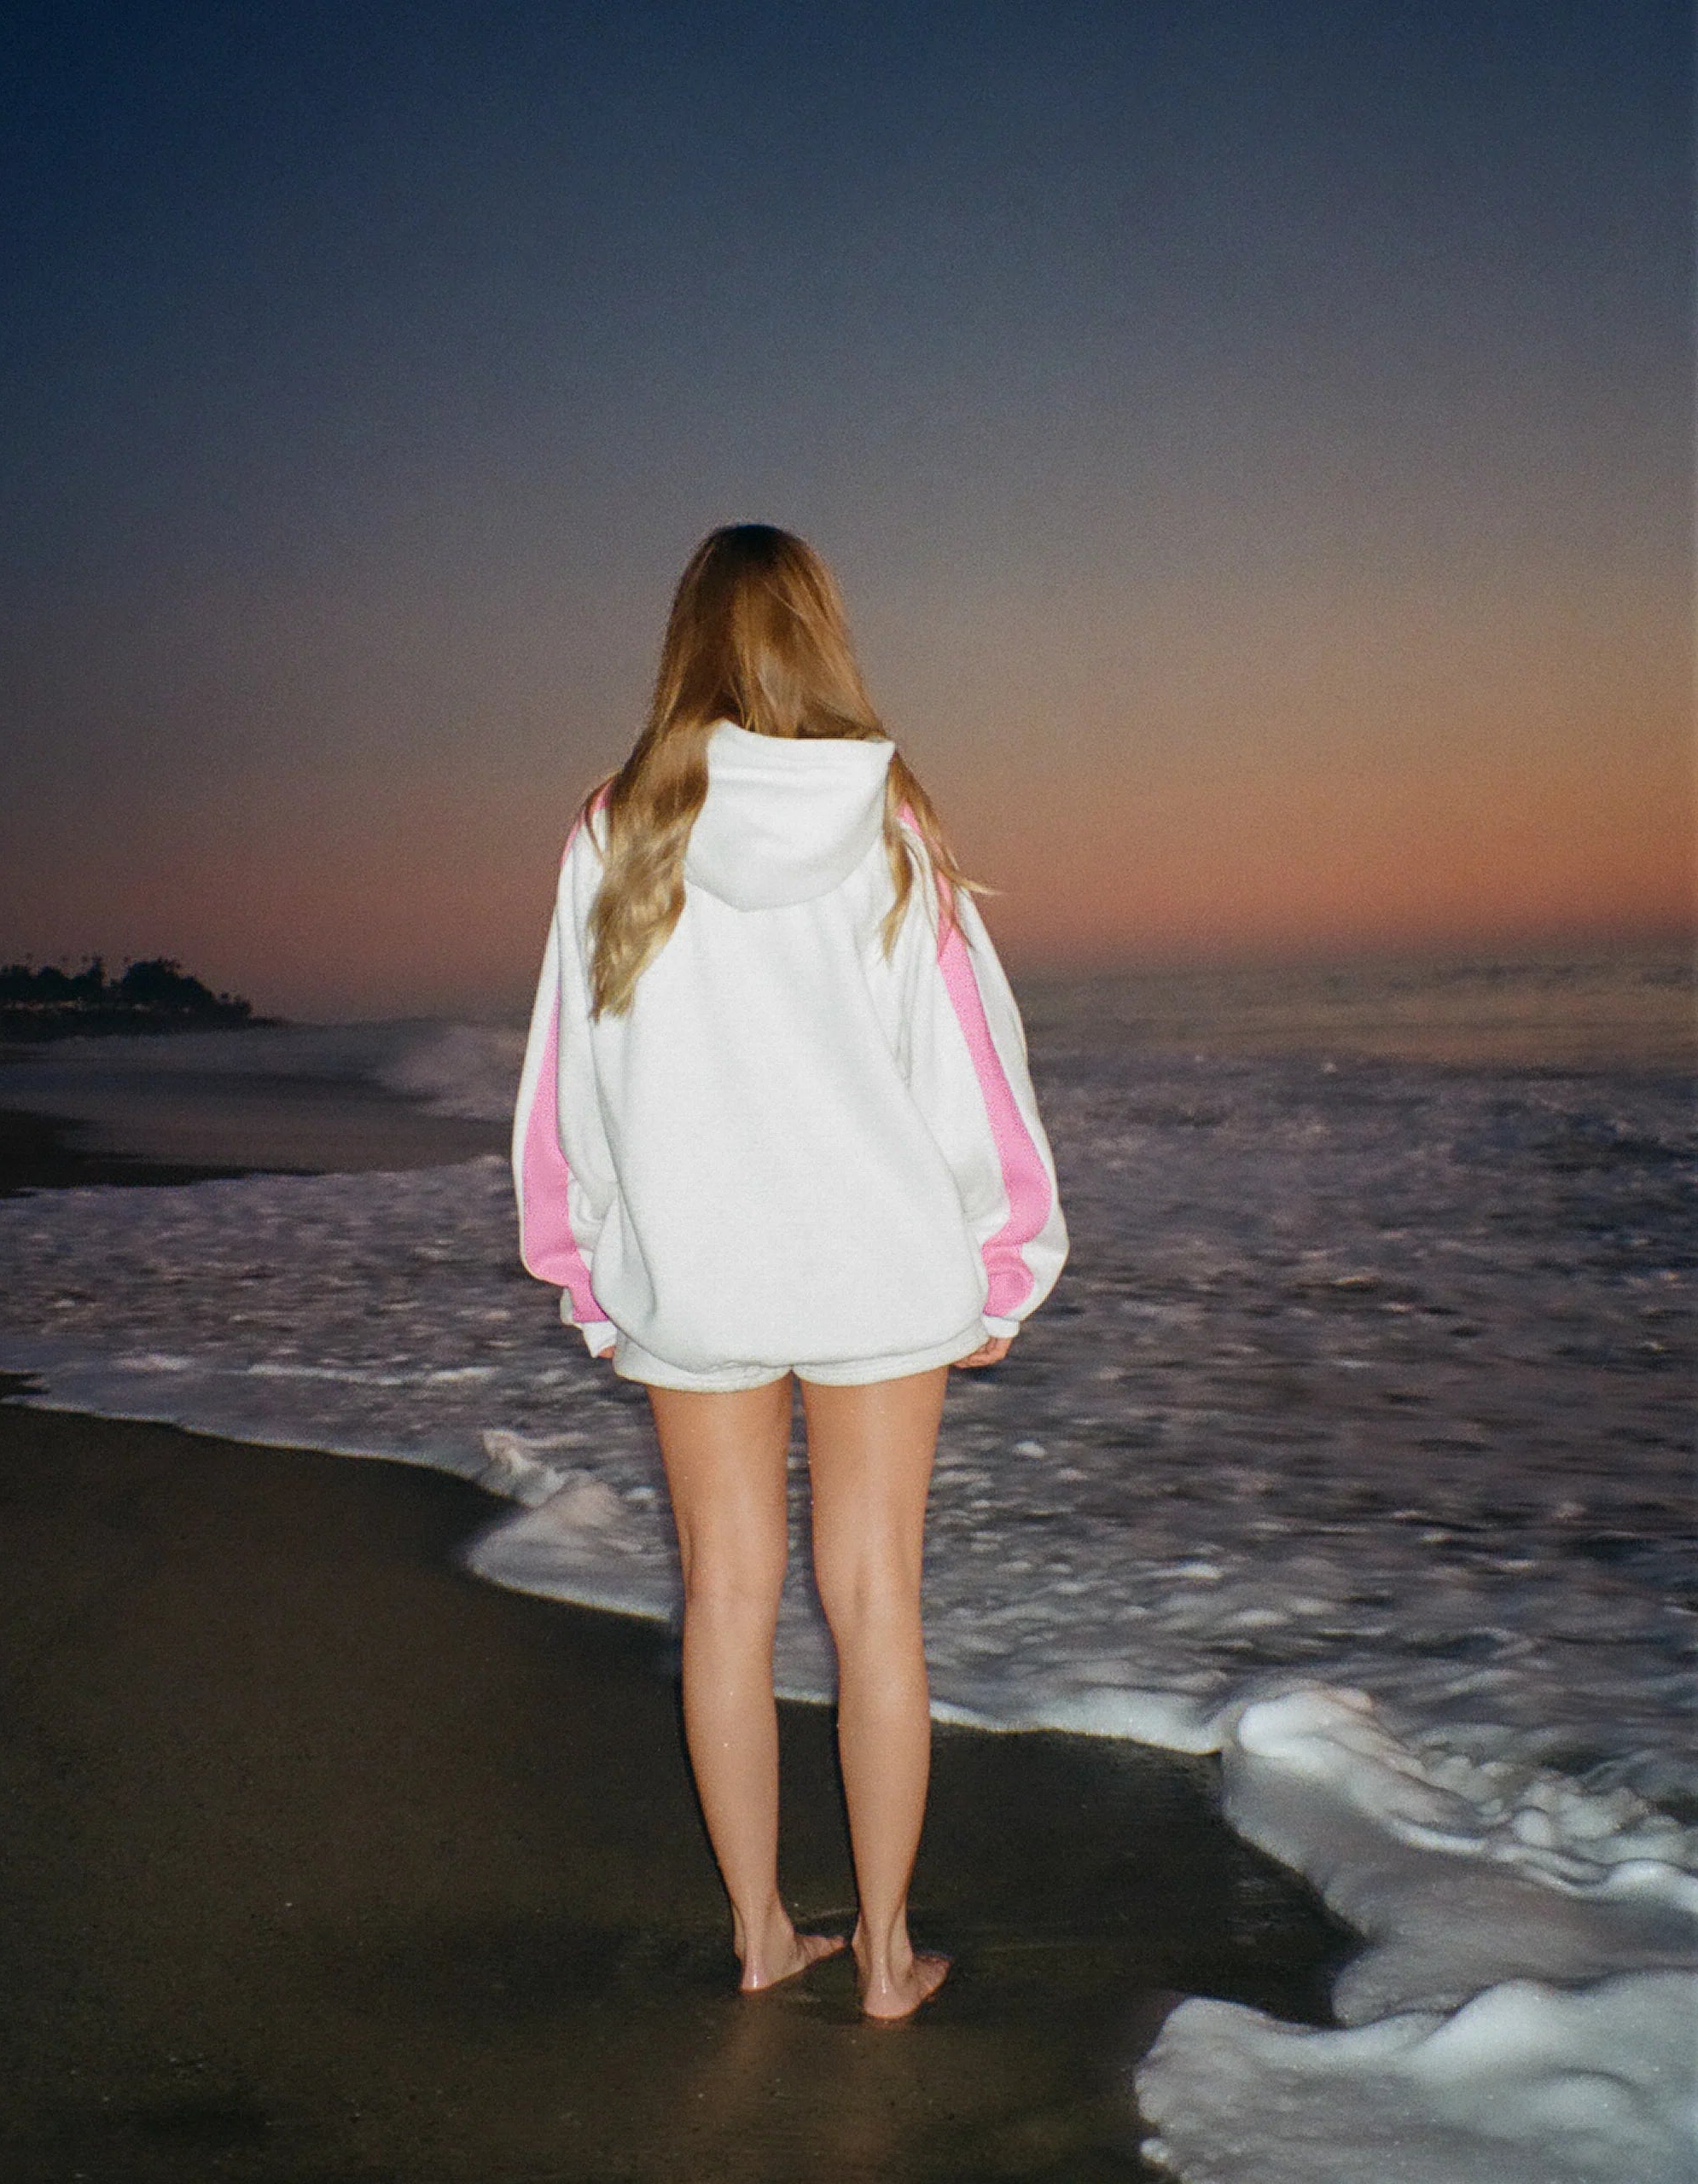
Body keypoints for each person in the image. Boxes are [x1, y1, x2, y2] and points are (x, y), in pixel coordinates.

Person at [511, 525, 1067, 2021]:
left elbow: (571, 1083)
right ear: (823, 633)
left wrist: (589, 1274)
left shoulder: (616, 827)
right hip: (879, 1265)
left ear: (683, 638)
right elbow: (969, 1067)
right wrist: (1004, 1267)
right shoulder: (891, 819)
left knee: (727, 1596)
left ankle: (761, 1935)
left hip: (699, 1273)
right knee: (877, 1598)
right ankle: (884, 1957)